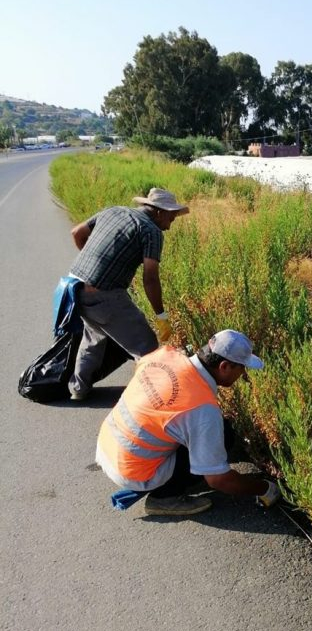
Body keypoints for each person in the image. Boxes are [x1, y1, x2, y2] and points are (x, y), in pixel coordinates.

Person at [96, 330, 281, 516]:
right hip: (131, 470)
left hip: (108, 444)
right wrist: (264, 488)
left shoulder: (166, 354)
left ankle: (167, 475)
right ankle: (164, 497)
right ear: (224, 366)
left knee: (213, 432)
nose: (243, 374)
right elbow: (218, 480)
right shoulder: (201, 409)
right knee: (222, 437)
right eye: (242, 368)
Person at [67, 187, 188, 400]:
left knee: (94, 337)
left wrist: (96, 266)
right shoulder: (151, 230)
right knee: (147, 345)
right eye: (171, 218)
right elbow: (150, 278)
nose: (169, 226)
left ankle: (78, 389)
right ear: (159, 212)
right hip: (103, 295)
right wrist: (161, 317)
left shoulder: (113, 211)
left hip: (74, 286)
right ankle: (150, 399)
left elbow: (77, 233)